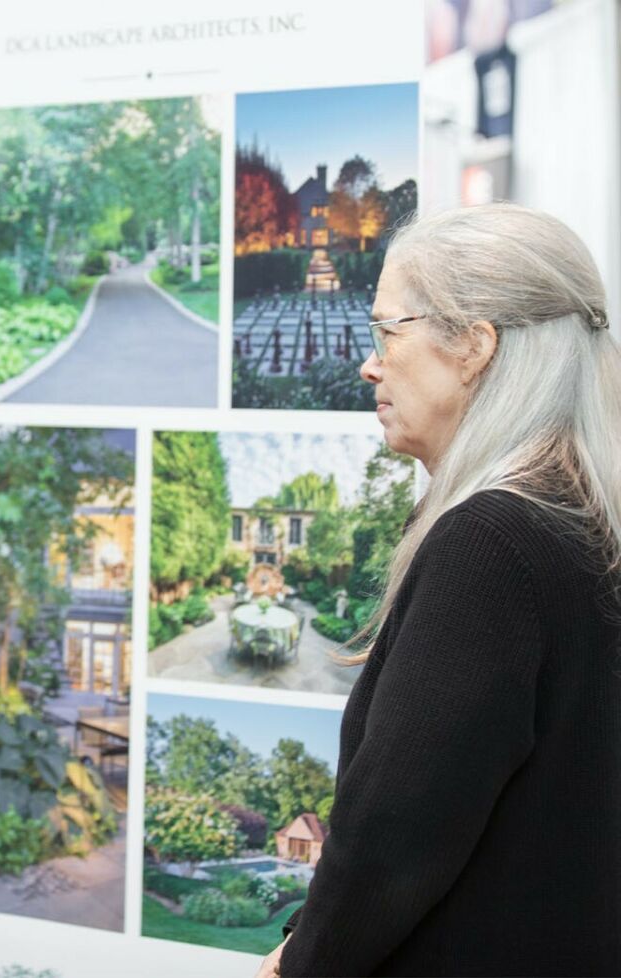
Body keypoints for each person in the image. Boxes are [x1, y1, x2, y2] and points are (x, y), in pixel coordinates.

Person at [258, 203, 621, 977]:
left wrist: (298, 963)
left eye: (389, 332)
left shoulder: (491, 544)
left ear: (474, 348)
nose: (370, 363)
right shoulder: (580, 520)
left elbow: (393, 836)